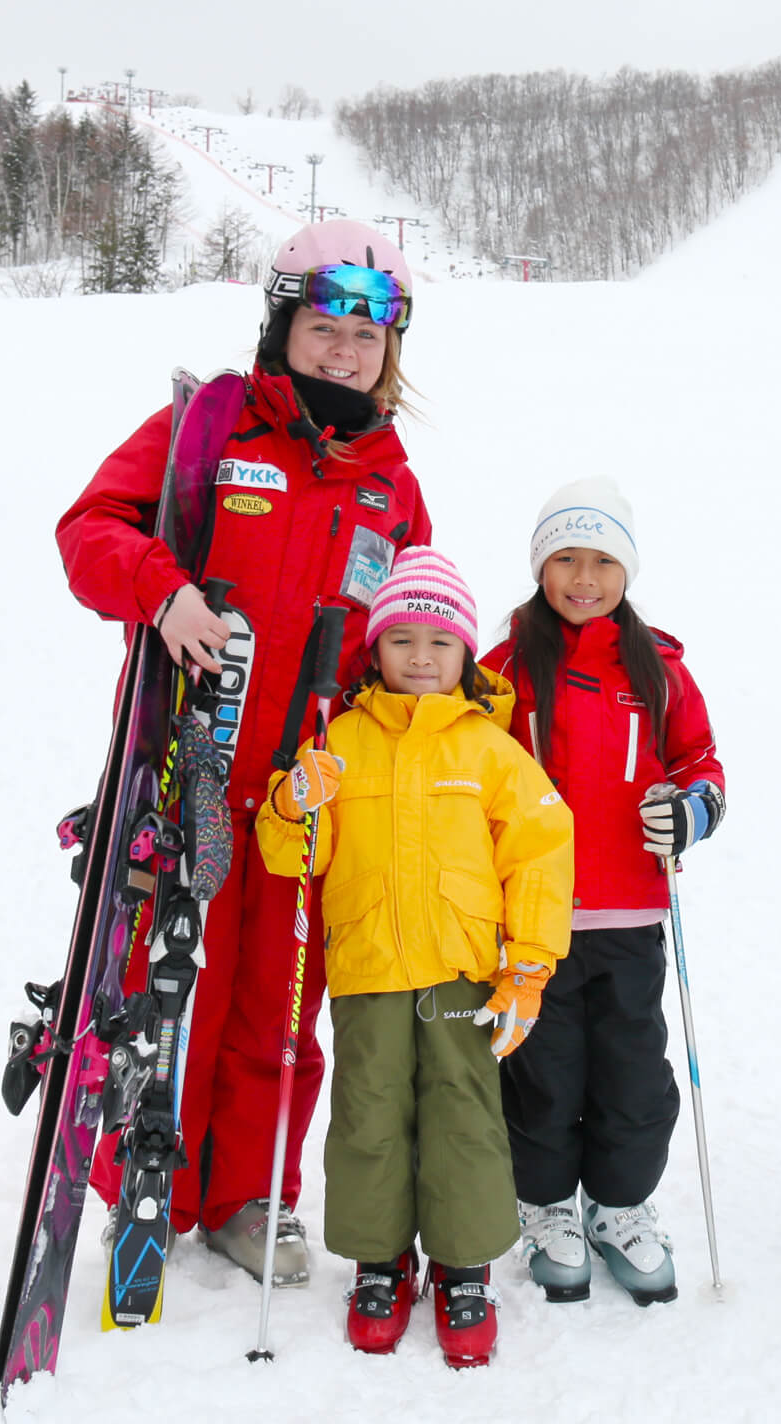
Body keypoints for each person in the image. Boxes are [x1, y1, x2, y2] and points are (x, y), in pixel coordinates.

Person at [55, 221, 431, 1286]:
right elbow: (90, 528)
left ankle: (251, 1194)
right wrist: (162, 590)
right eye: (323, 327)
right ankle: (152, 1180)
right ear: (284, 328)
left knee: (282, 999)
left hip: (309, 790)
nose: (344, 352)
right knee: (178, 982)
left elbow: (412, 626)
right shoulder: (212, 430)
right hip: (190, 766)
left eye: (366, 336)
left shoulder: (390, 484)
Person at [256, 547, 573, 1367]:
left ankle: (464, 1266)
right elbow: (288, 856)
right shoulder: (340, 740)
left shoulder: (488, 749)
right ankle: (381, 1260)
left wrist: (528, 962)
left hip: (462, 970)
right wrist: (293, 803)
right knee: (369, 1116)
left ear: (466, 652)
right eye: (402, 641)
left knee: (464, 1116)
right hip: (366, 969)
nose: (422, 658)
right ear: (375, 650)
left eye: (440, 642)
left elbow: (540, 849)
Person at [479, 477, 726, 1306]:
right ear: (541, 567)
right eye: (566, 560)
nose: (584, 579)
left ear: (627, 570)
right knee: (544, 1071)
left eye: (603, 561)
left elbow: (698, 761)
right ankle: (547, 1208)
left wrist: (692, 810)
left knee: (629, 1071)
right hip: (534, 918)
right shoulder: (505, 668)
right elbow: (469, 767)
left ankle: (621, 1209)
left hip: (629, 912)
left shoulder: (656, 668)